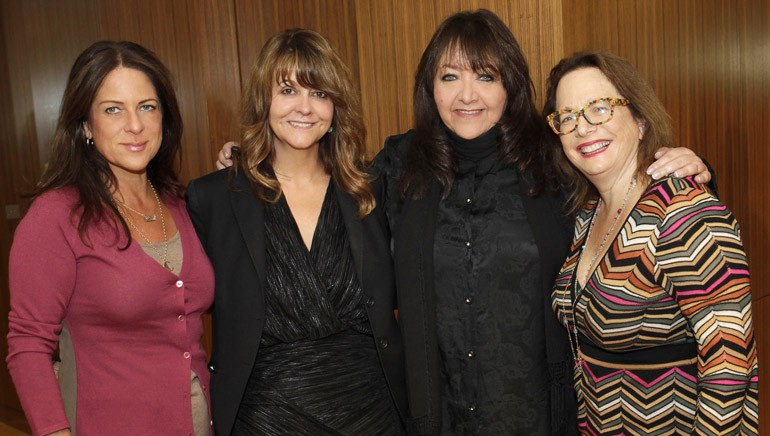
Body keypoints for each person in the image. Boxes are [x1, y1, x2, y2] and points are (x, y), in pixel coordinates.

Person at [218, 10, 711, 435]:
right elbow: (323, 183)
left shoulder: (553, 161)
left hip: (538, 414)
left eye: (486, 76)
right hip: (436, 414)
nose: (467, 95)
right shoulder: (399, 166)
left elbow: (619, 175)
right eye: (450, 77)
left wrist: (683, 161)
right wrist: (249, 161)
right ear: (429, 87)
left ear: (510, 84)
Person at [186, 29, 406, 435]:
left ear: (336, 106)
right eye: (288, 90)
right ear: (263, 100)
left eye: (320, 93)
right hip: (266, 417)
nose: (305, 107)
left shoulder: (371, 189)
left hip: (372, 415)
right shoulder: (214, 198)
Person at [543, 51, 759, 435]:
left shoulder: (684, 212)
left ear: (640, 120)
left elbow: (730, 366)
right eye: (568, 117)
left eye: (600, 108)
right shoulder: (585, 216)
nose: (583, 127)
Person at [7, 41, 215, 435]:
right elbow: (28, 345)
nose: (134, 125)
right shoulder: (56, 216)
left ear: (164, 119)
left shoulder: (182, 203)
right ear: (86, 125)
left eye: (147, 107)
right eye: (112, 109)